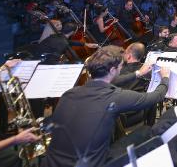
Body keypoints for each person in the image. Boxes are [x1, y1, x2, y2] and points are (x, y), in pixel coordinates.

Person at [41, 46, 170, 167]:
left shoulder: (69, 93)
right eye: (120, 67)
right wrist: (165, 78)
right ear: (113, 70)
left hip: (52, 162)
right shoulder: (114, 96)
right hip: (90, 164)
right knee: (146, 131)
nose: (121, 69)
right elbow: (155, 97)